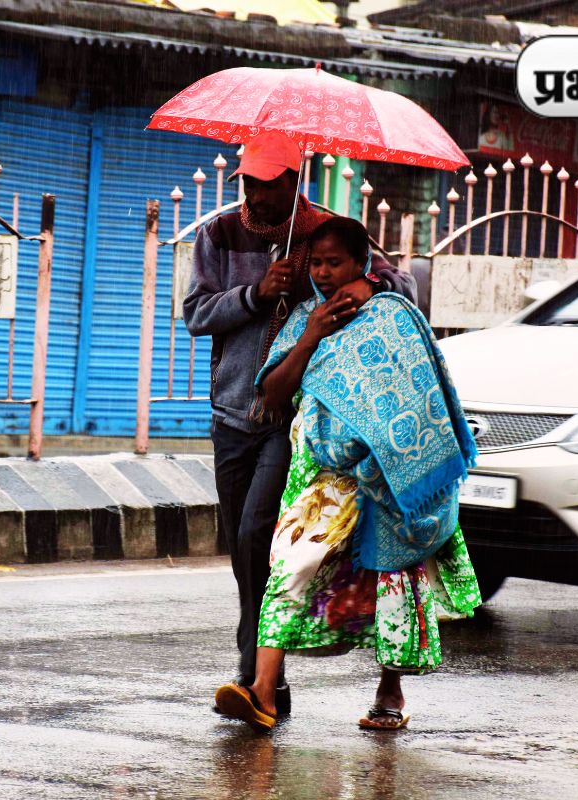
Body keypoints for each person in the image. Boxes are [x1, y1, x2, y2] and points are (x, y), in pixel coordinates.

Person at [213, 216, 482, 733]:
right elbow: (272, 394)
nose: (324, 273)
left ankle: (390, 690)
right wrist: (311, 335)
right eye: (316, 263)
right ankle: (263, 693)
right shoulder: (304, 319)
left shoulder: (394, 316)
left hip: (390, 477)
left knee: (394, 584)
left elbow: (423, 398)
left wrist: (394, 455)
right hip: (327, 479)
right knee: (289, 565)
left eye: (334, 262)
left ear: (361, 262)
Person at [183, 131, 418, 717]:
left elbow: (400, 286)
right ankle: (266, 678)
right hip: (235, 411)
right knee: (241, 546)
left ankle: (257, 679)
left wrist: (342, 287)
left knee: (259, 535)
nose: (256, 196)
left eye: (268, 184)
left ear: (294, 180)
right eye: (249, 184)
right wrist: (256, 293)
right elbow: (195, 313)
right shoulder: (219, 234)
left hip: (294, 422)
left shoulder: (326, 233)